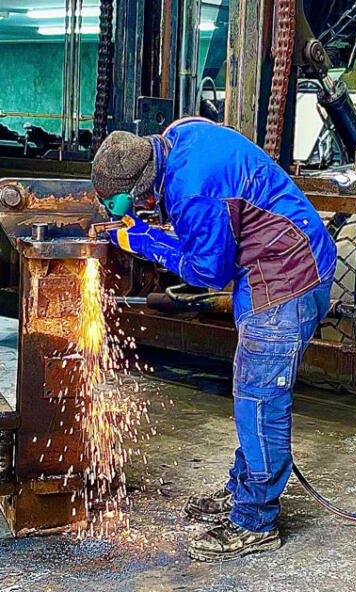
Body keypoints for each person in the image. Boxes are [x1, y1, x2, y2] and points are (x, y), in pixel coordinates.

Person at [91, 118, 337, 562]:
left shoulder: (191, 192)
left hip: (287, 277)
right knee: (252, 396)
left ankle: (255, 520)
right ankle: (243, 489)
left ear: (144, 192)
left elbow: (209, 272)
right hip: (276, 261)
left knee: (259, 400)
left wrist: (145, 239)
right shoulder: (178, 134)